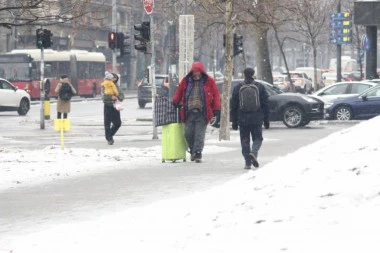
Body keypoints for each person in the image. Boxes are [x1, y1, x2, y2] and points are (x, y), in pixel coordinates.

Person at [172, 62, 221, 163]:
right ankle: (193, 150)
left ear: (201, 71)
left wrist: (216, 109)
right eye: (195, 71)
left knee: (199, 134)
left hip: (203, 112)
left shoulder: (209, 81)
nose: (196, 73)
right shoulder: (186, 81)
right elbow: (179, 91)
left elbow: (216, 95)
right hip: (188, 111)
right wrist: (175, 101)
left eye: (198, 71)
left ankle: (198, 153)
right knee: (188, 133)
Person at [230, 68, 269, 170]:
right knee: (258, 138)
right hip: (256, 117)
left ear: (244, 74)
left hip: (243, 118)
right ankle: (254, 152)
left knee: (245, 140)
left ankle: (247, 162)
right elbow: (265, 104)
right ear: (253, 74)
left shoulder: (238, 87)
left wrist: (234, 121)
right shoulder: (259, 87)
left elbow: (233, 105)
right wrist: (266, 120)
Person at [102, 73, 124, 145]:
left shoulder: (117, 86)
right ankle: (109, 139)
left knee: (118, 123)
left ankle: (109, 135)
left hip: (115, 106)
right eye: (113, 78)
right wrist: (111, 97)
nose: (114, 79)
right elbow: (103, 97)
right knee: (107, 124)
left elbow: (122, 96)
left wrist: (117, 97)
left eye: (115, 78)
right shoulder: (104, 85)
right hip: (107, 106)